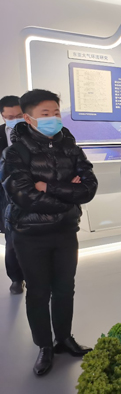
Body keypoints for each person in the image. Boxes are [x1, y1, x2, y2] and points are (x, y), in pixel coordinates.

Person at [1, 89, 98, 376]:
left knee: (65, 288)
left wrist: (48, 186)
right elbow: (23, 195)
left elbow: (89, 187)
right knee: (39, 291)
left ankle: (64, 338)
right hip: (30, 234)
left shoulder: (70, 146)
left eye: (56, 112)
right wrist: (69, 194)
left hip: (66, 231)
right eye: (45, 114)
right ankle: (44, 346)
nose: (53, 118)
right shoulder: (14, 152)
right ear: (28, 118)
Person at [0, 96, 25, 294]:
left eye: (18, 115)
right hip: (6, 196)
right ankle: (16, 279)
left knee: (39, 237)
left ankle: (40, 278)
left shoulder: (35, 132)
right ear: (2, 116)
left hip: (34, 193)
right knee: (12, 240)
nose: (14, 119)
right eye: (9, 117)